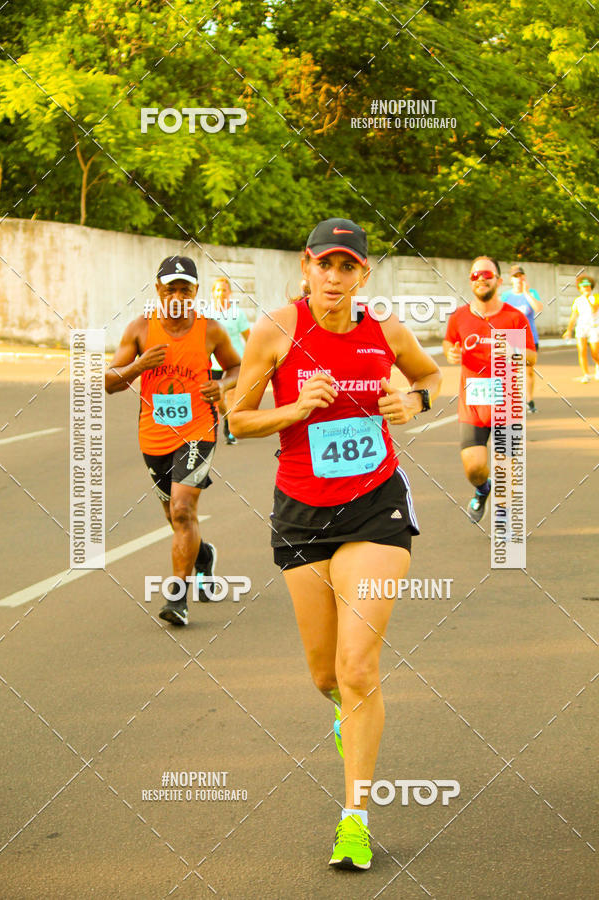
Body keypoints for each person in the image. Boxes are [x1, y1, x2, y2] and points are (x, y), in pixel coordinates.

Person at [229, 218, 441, 871]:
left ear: (362, 275)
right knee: (325, 674)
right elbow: (237, 418)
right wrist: (294, 411)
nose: (333, 277)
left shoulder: (386, 332)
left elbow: (433, 377)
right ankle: (348, 715)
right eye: (325, 264)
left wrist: (416, 399)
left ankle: (355, 819)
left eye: (347, 267)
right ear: (306, 265)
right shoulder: (275, 331)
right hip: (300, 515)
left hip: (376, 509)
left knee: (357, 667)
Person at [105, 256, 241, 625]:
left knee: (182, 509)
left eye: (186, 289)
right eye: (171, 289)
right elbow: (109, 382)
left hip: (198, 429)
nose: (178, 296)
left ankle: (177, 597)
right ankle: (203, 556)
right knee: (172, 514)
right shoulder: (140, 329)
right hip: (153, 434)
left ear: (195, 292)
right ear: (158, 291)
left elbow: (236, 366)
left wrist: (222, 385)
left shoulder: (210, 330)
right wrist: (137, 366)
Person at [443, 256, 536, 523]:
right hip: (473, 406)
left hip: (508, 405)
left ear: (498, 280)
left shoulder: (514, 317)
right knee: (473, 468)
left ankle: (505, 520)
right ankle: (483, 489)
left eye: (486, 274)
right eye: (474, 275)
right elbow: (449, 343)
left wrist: (513, 350)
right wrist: (451, 352)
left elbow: (531, 357)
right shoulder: (460, 316)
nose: (480, 279)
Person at [209, 277, 250, 444]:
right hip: (213, 363)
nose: (221, 293)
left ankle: (231, 431)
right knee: (216, 398)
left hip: (234, 363)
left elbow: (249, 338)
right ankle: (227, 418)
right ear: (213, 293)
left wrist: (252, 360)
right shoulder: (207, 314)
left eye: (224, 290)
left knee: (232, 397)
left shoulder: (238, 314)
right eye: (217, 290)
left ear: (229, 293)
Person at [501, 264, 543, 412]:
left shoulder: (531, 293)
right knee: (511, 371)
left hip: (529, 337)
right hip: (511, 338)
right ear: (511, 279)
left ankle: (529, 401)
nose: (518, 279)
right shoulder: (506, 296)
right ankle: (513, 401)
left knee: (528, 370)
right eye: (515, 276)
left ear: (524, 277)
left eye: (520, 276)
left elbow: (538, 308)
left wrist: (526, 293)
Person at [562, 274, 599, 383]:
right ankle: (586, 374)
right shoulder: (577, 301)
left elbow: (594, 309)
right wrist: (569, 330)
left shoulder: (595, 297)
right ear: (579, 288)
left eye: (587, 286)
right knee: (582, 351)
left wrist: (587, 298)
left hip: (594, 327)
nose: (586, 288)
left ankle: (597, 366)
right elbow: (573, 316)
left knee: (595, 352)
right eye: (583, 286)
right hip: (581, 328)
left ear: (591, 287)